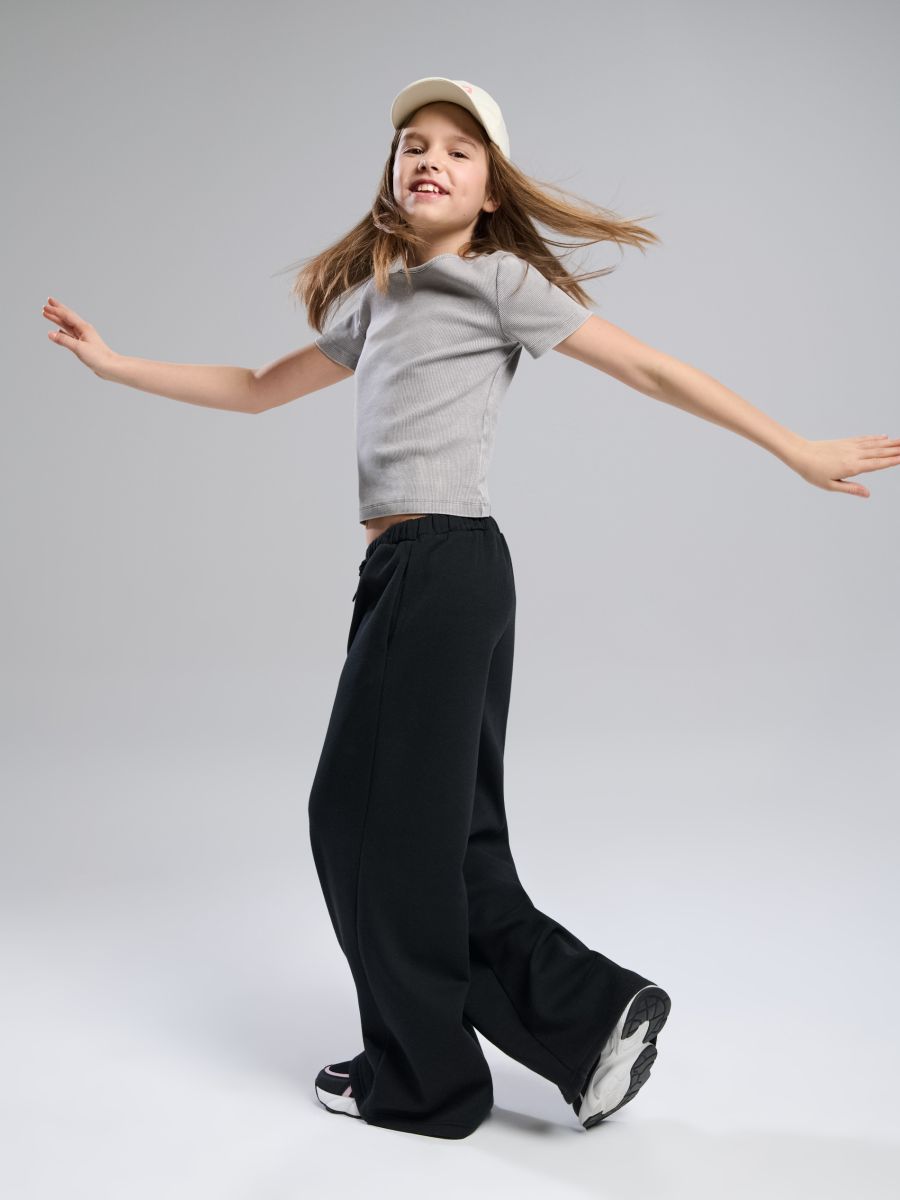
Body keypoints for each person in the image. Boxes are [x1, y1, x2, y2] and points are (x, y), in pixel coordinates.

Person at [42, 76, 900, 1143]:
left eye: (458, 148)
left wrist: (793, 446)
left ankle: (425, 1082)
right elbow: (259, 385)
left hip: (441, 564)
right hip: (430, 574)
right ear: (392, 174)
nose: (430, 160)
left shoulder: (497, 281)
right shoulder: (381, 298)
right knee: (445, 839)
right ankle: (588, 1020)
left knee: (357, 824)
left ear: (491, 191)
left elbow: (646, 368)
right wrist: (114, 365)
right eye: (414, 144)